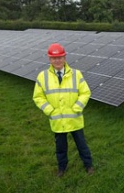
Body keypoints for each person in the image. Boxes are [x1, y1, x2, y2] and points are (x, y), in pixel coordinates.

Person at [33, 43, 94, 177]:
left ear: (65, 57)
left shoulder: (76, 74)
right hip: (57, 121)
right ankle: (62, 168)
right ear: (49, 59)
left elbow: (85, 92)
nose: (57, 61)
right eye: (54, 58)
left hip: (74, 119)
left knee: (82, 145)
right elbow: (38, 97)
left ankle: (88, 165)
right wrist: (49, 110)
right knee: (60, 148)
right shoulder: (42, 76)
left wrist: (77, 107)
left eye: (60, 57)